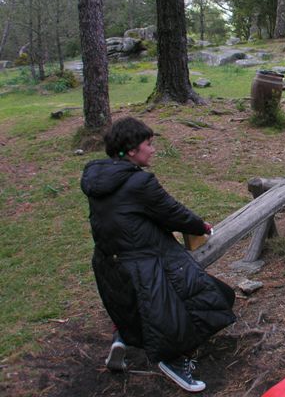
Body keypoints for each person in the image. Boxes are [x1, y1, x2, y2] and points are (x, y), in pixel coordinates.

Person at [81, 117, 236, 393]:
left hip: (107, 263)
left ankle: (121, 338)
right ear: (132, 150)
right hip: (142, 264)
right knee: (200, 303)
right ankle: (174, 360)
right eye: (148, 144)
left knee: (133, 308)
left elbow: (128, 213)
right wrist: (201, 227)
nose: (153, 150)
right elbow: (172, 212)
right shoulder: (140, 182)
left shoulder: (97, 177)